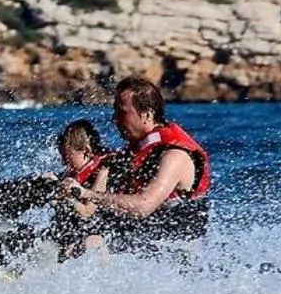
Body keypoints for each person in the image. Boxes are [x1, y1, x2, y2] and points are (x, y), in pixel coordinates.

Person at [63, 78, 209, 252]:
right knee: (69, 230)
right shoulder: (136, 151)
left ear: (147, 114)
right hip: (142, 238)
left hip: (173, 252)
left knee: (91, 243)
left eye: (121, 112)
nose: (114, 119)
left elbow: (142, 207)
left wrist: (87, 193)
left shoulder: (174, 157)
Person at [50, 119, 114, 259]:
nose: (63, 162)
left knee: (87, 242)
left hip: (100, 236)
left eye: (67, 157)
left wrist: (68, 198)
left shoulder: (103, 172)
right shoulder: (71, 173)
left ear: (85, 151)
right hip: (77, 231)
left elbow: (87, 212)